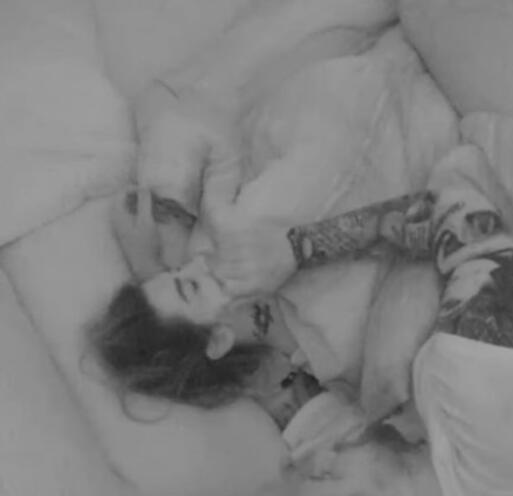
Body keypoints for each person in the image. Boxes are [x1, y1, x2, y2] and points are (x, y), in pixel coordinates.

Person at [203, 0, 513, 496]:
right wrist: (296, 247)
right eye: (326, 478)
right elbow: (451, 201)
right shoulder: (476, 390)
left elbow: (313, 417)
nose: (319, 458)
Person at [90, 0, 457, 426]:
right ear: (219, 340)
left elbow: (219, 142)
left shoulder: (222, 237)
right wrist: (295, 248)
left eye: (179, 272)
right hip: (431, 102)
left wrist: (176, 237)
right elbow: (436, 221)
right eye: (190, 285)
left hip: (375, 68)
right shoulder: (334, 349)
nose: (196, 265)